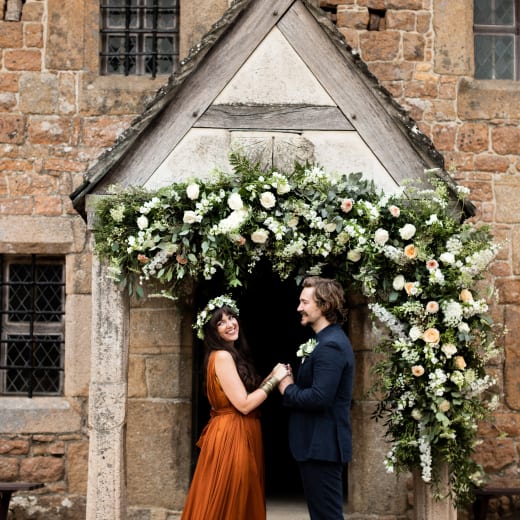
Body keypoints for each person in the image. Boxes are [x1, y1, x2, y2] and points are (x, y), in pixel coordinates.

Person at [181, 294, 291, 520]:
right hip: (232, 436)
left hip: (237, 431)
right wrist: (273, 381)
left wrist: (273, 374)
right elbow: (243, 404)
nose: (229, 324)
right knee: (232, 499)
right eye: (220, 323)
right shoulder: (221, 356)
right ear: (213, 332)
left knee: (237, 498)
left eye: (230, 317)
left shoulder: (229, 354)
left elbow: (242, 396)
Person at [278, 276, 354, 520]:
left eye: (304, 302)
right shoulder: (323, 341)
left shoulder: (331, 345)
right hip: (316, 445)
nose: (299, 308)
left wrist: (286, 387)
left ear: (324, 306)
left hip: (322, 446)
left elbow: (320, 397)